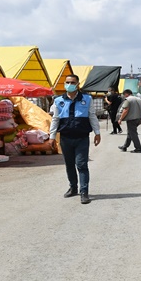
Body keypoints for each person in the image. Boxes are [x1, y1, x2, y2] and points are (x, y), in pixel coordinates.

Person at [49, 74, 101, 204]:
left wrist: (97, 132)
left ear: (78, 84)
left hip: (82, 137)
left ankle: (84, 192)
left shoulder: (87, 99)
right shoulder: (58, 100)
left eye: (72, 82)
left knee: (82, 165)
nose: (69, 85)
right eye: (67, 82)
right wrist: (52, 136)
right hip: (65, 138)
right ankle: (73, 188)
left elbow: (92, 116)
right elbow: (55, 119)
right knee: (69, 165)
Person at [117, 89, 141, 153]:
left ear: (126, 94)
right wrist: (140, 118)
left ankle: (138, 148)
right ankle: (125, 146)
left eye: (124, 95)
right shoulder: (139, 99)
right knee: (130, 133)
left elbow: (125, 110)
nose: (124, 96)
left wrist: (120, 119)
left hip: (131, 119)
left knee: (133, 134)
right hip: (138, 118)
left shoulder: (128, 100)